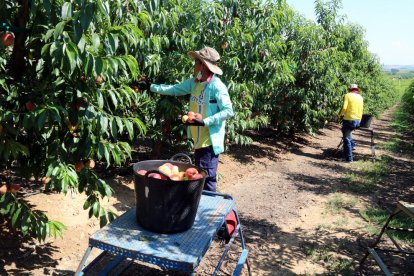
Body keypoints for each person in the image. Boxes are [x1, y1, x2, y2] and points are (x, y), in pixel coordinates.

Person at [139, 46, 234, 192]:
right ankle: (202, 208)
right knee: (200, 178)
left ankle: (207, 211)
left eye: (196, 62)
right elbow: (173, 89)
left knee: (206, 179)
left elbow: (228, 111)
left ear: (203, 65)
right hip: (198, 140)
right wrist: (151, 87)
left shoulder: (217, 87)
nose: (194, 65)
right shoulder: (194, 83)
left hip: (209, 141)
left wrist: (205, 121)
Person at [338, 83, 364, 162]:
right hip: (358, 121)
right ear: (357, 90)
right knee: (348, 134)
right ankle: (353, 145)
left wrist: (340, 115)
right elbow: (361, 110)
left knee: (346, 139)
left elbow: (344, 107)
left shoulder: (347, 95)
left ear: (349, 89)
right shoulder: (360, 97)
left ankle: (349, 159)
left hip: (349, 120)